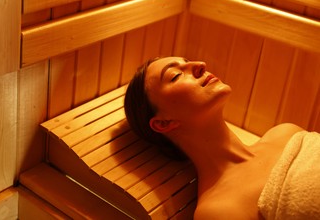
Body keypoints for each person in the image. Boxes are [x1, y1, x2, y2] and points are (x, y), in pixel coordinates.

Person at [124, 56, 307, 219]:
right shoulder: (220, 210)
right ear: (164, 123)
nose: (201, 64)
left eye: (188, 61)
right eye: (175, 75)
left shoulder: (286, 134)